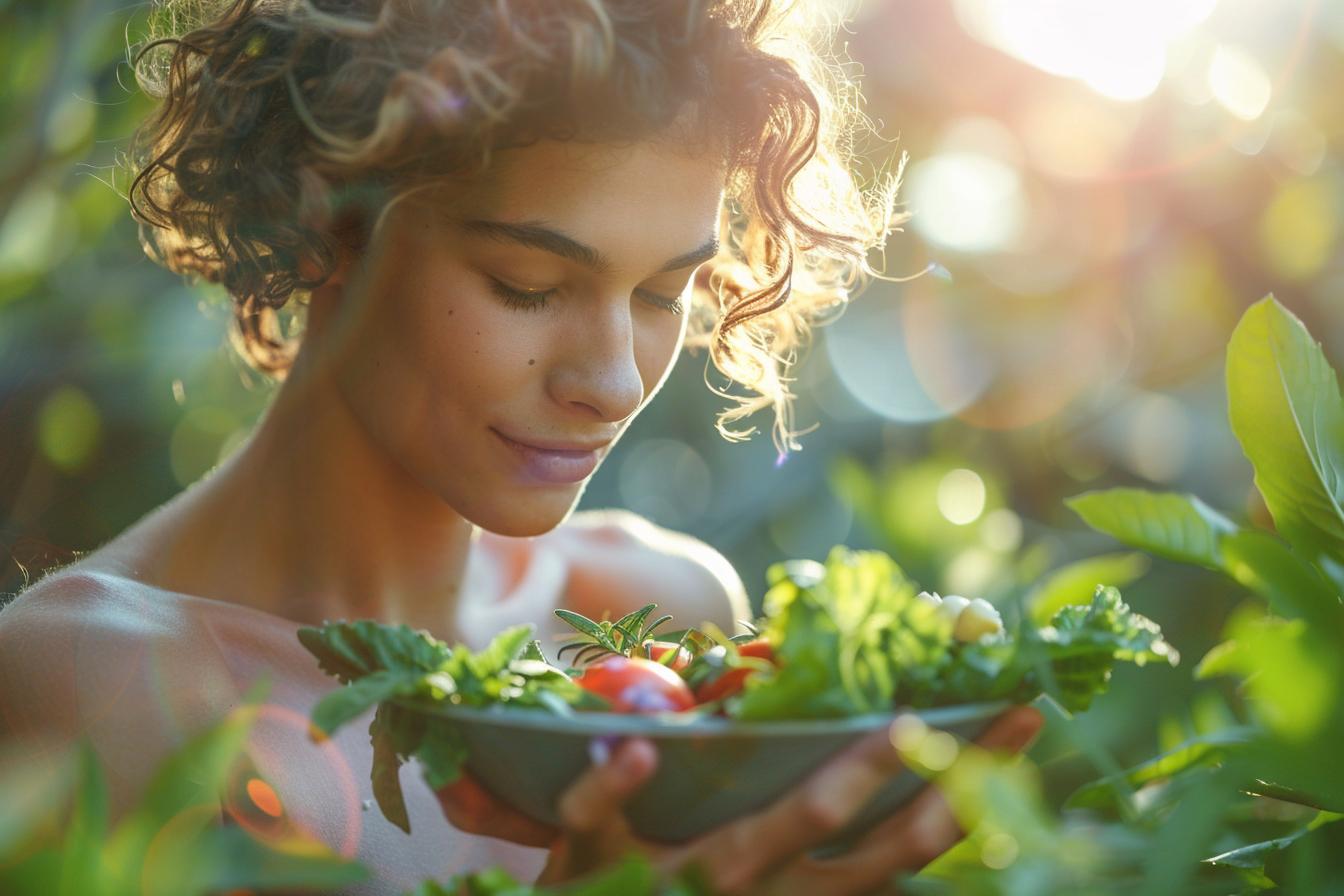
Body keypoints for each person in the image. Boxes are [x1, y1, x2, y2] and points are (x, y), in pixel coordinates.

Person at [0, 0, 1043, 893]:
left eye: (659, 293)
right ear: (324, 214)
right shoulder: (99, 680)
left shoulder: (655, 620)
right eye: (528, 286)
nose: (614, 382)